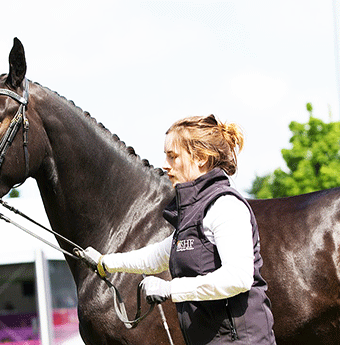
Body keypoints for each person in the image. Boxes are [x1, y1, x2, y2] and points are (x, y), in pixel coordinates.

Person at [84, 114, 276, 345]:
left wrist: (170, 288)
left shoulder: (225, 206)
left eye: (173, 156)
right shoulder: (193, 215)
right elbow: (156, 256)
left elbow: (238, 278)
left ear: (202, 158)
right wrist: (106, 263)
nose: (165, 164)